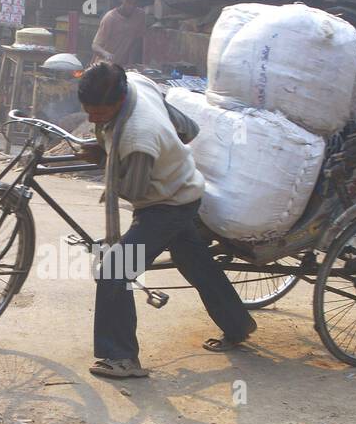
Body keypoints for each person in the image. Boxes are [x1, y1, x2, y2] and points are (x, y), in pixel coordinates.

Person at [73, 61, 256, 379]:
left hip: (166, 204)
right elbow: (188, 129)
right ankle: (238, 325)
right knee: (195, 262)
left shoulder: (138, 136)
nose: (92, 120)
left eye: (100, 114)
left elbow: (133, 190)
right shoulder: (137, 83)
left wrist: (106, 157)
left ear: (118, 101)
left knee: (115, 270)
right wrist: (162, 153)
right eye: (88, 112)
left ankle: (121, 358)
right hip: (183, 188)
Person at [92, 0, 148, 66]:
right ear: (121, 0)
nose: (131, 6)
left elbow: (137, 40)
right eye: (128, 2)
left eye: (134, 4)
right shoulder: (110, 18)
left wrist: (131, 61)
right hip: (104, 66)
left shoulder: (140, 15)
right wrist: (106, 54)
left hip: (123, 67)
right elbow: (95, 46)